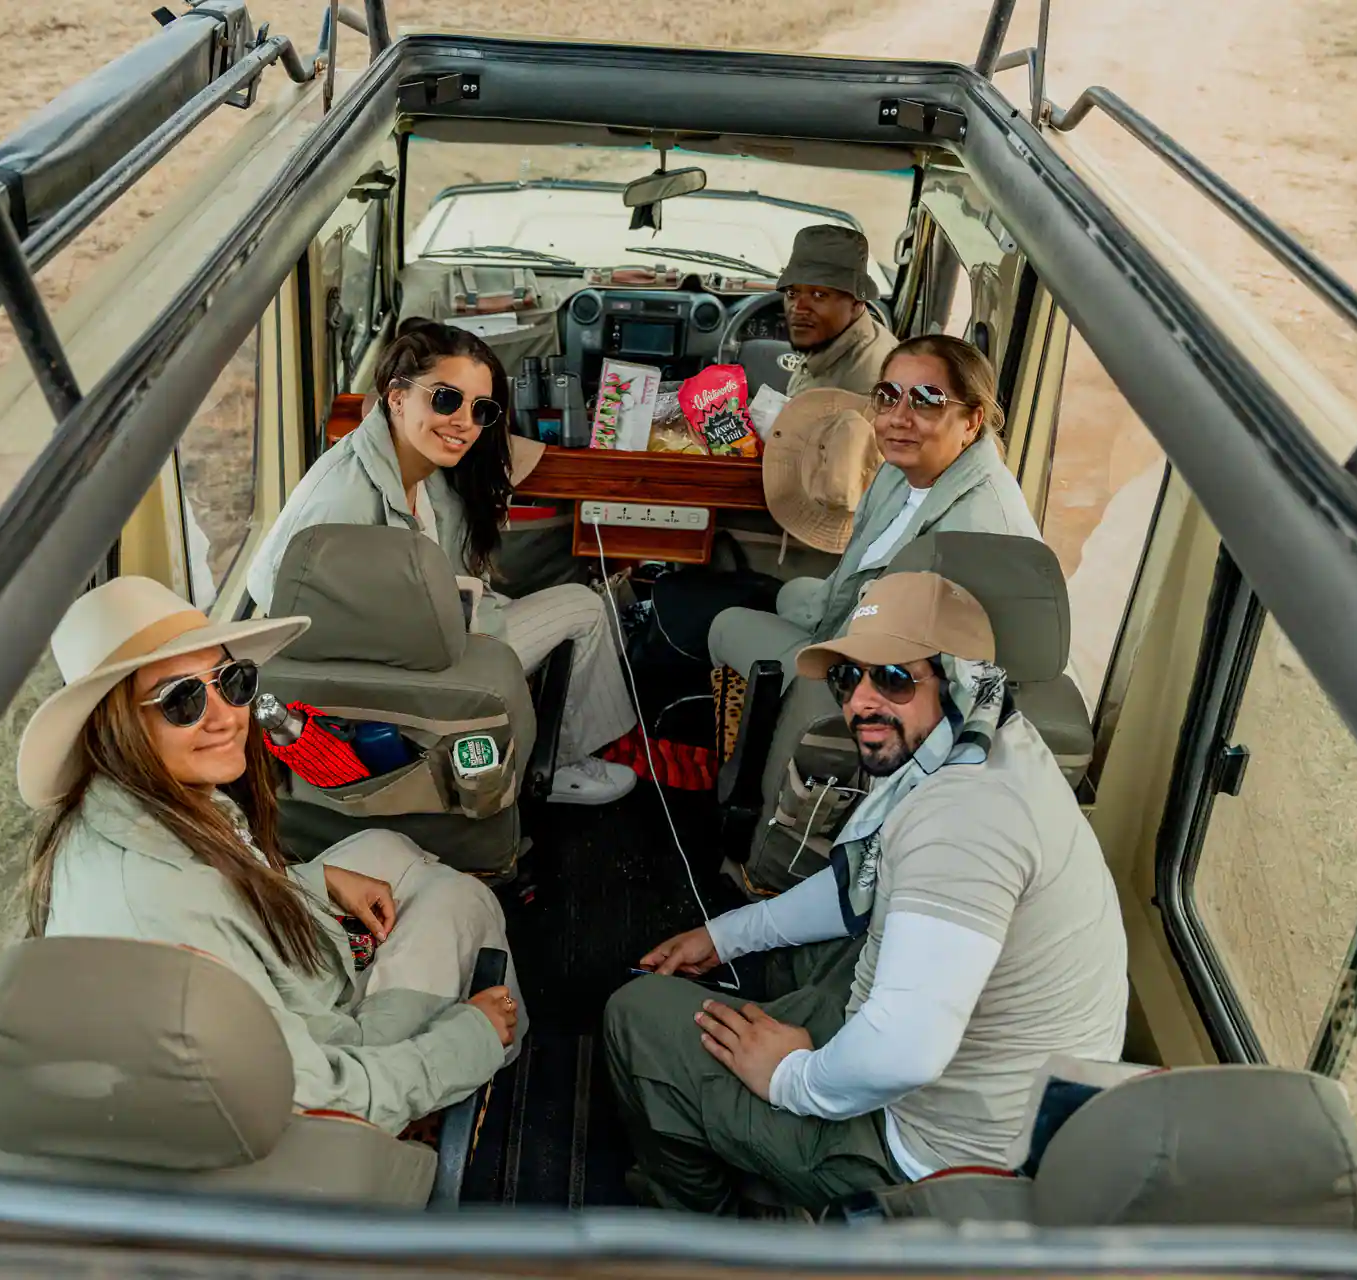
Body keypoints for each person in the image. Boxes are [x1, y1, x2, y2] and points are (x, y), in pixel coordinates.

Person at [606, 571, 1128, 1214]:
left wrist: (791, 1079)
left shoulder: (962, 823)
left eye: (896, 678)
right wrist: (725, 935)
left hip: (929, 1161)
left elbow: (902, 1051)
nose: (860, 702)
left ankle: (710, 1230)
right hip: (1000, 1095)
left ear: (958, 678)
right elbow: (866, 883)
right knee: (777, 953)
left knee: (634, 1017)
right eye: (848, 678)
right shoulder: (989, 745)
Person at [16, 575, 526, 1139]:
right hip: (330, 1072)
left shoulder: (124, 808)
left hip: (288, 997)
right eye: (182, 699)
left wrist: (314, 880)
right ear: (111, 724)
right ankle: (478, 1082)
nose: (224, 716)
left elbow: (228, 892)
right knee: (461, 899)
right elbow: (308, 1098)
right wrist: (468, 1039)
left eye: (232, 682)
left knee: (388, 848)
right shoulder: (163, 914)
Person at [248, 318, 639, 806]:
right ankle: (559, 766)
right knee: (584, 607)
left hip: (432, 631)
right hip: (410, 671)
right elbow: (292, 615)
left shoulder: (419, 467)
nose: (464, 423)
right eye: (446, 400)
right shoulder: (342, 504)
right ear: (396, 397)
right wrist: (476, 625)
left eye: (482, 410)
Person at [709, 333, 1039, 683]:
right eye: (888, 396)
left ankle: (765, 729)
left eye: (927, 401)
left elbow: (917, 675)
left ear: (971, 422)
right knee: (795, 591)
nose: (898, 418)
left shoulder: (973, 532)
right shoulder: (900, 472)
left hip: (871, 686)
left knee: (725, 625)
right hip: (865, 630)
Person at [778, 225, 900, 398]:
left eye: (819, 295)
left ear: (857, 301)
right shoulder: (831, 338)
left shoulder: (865, 387)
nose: (798, 308)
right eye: (792, 293)